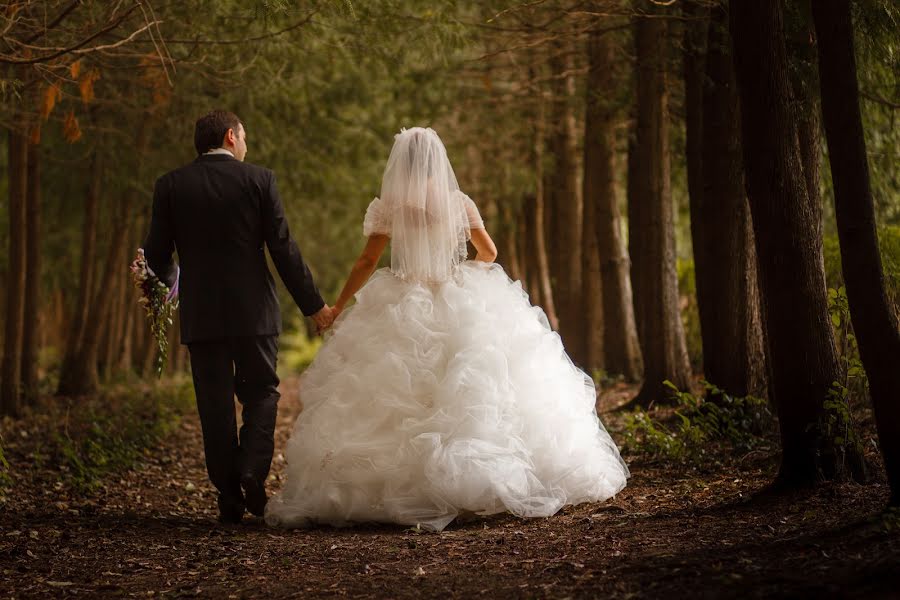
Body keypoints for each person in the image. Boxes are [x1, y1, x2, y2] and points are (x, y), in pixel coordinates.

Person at [265, 127, 628, 532]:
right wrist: (464, 274)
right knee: (471, 385)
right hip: (454, 292)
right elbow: (488, 251)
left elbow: (367, 261)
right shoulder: (458, 203)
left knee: (394, 390)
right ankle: (471, 484)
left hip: (404, 298)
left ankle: (398, 489)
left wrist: (337, 305)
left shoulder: (392, 207)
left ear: (401, 164)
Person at [141, 110, 333, 524]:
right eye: (244, 137)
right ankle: (251, 471)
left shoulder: (170, 186)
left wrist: (167, 287)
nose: (246, 145)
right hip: (254, 313)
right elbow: (283, 248)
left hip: (202, 314)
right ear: (231, 136)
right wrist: (314, 306)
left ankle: (228, 496)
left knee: (214, 406)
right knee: (262, 392)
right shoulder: (259, 180)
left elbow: (155, 256)